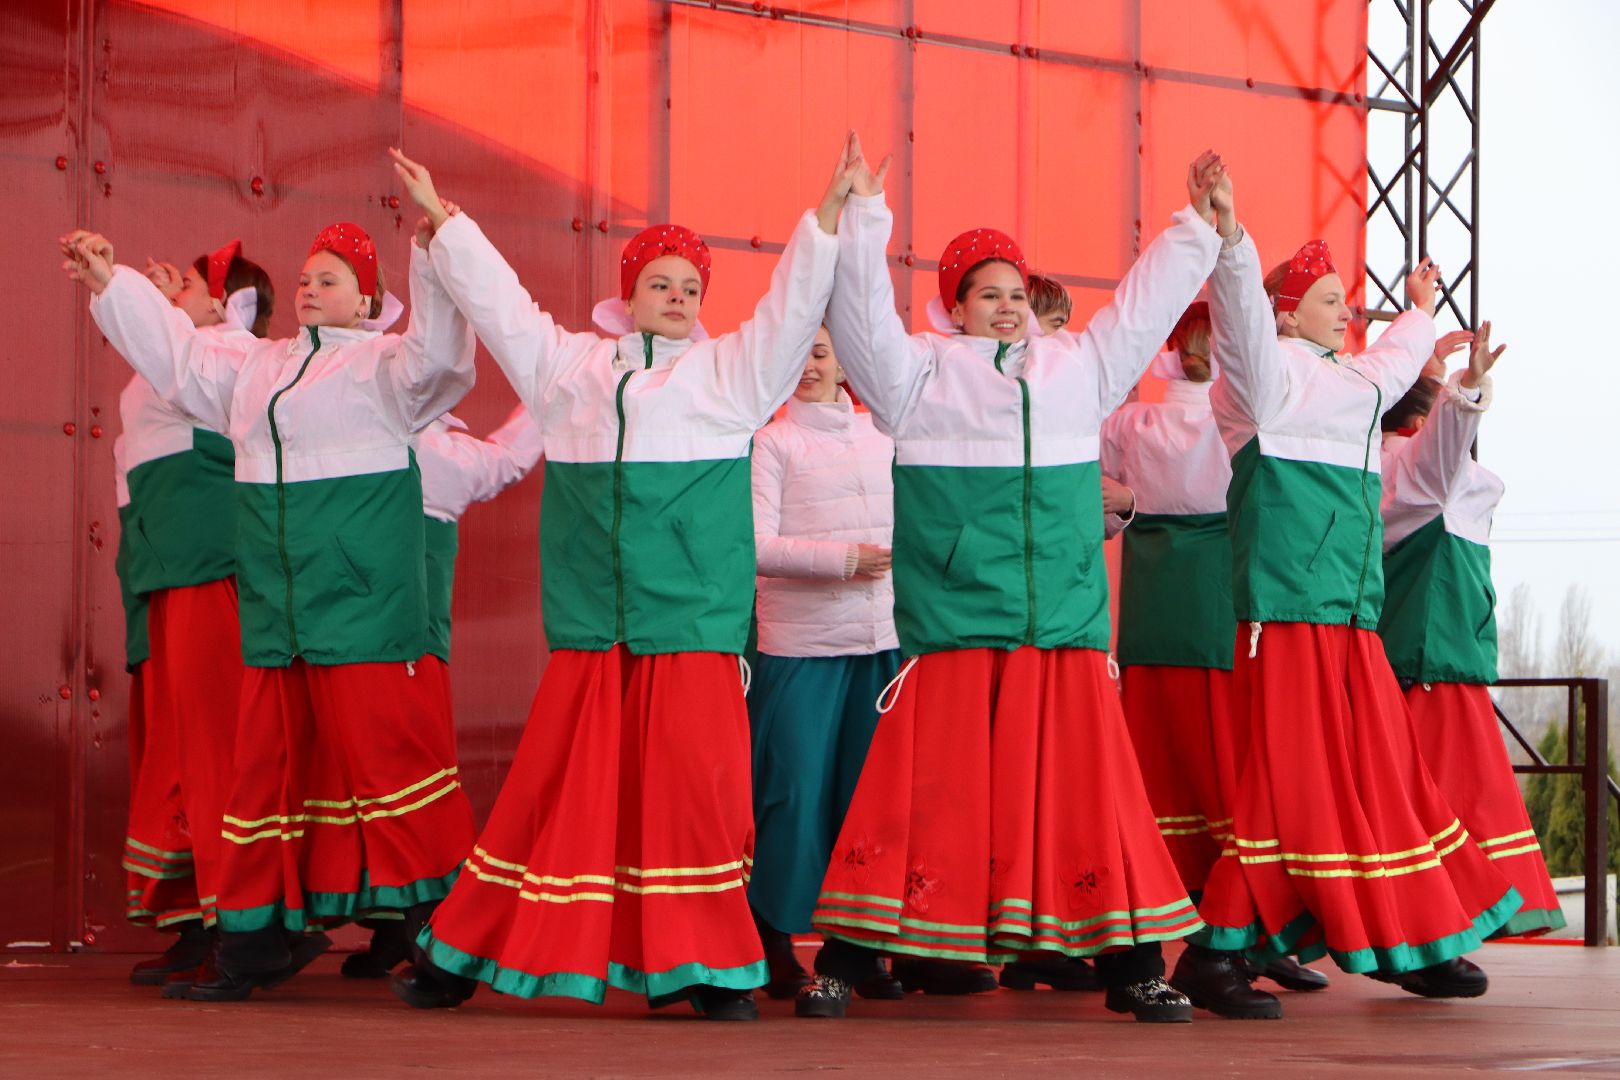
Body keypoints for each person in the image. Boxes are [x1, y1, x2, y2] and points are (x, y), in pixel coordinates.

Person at [389, 140, 848, 1021]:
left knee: (696, 801)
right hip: (595, 625)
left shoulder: (732, 374)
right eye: (660, 283)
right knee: (550, 795)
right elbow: (504, 310)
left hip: (693, 625)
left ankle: (711, 969)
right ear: (626, 295)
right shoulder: (570, 371)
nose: (676, 297)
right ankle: (460, 955)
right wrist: (447, 223)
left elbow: (791, 312)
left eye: (691, 288)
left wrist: (823, 219)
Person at [803, 141, 1228, 1023]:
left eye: (1014, 293)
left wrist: (1198, 226)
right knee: (919, 799)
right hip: (959, 622)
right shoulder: (916, 376)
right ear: (953, 307)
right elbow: (862, 320)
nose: (1005, 306)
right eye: (985, 293)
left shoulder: (1079, 368)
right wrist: (865, 213)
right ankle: (844, 958)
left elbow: (1144, 308)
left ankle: (1134, 968)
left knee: (1093, 798)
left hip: (1062, 623)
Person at [61, 181, 479, 1002]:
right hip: (277, 612)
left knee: (390, 772)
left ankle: (452, 945)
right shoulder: (260, 366)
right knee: (261, 778)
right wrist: (115, 286)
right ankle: (249, 945)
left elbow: (443, 358)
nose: (312, 286)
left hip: (362, 607)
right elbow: (180, 359)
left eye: (333, 277)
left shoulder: (388, 370)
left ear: (369, 300)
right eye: (307, 276)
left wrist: (435, 249)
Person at [1171, 167, 1519, 1020]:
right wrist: (1232, 239)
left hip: (1352, 618)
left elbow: (1399, 362)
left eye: (1347, 302)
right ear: (1289, 314)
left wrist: (1430, 326)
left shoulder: (1359, 386)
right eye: (1329, 299)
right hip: (1286, 615)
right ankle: (1219, 949)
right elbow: (1243, 321)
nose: (1344, 311)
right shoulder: (1265, 383)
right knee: (1290, 783)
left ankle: (1411, 935)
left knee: (1381, 774)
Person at [1101, 302, 1328, 997]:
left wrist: (1134, 506)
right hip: (1221, 604)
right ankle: (1245, 930)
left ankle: (1159, 930)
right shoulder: (1240, 421)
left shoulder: (1129, 423)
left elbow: (1096, 503)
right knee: (1229, 769)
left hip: (1151, 611)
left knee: (1156, 768)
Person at [341, 402, 544, 979]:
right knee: (396, 780)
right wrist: (547, 392)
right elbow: (508, 458)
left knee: (385, 779)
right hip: (402, 644)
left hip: (378, 641)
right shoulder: (437, 448)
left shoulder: (416, 446)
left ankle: (419, 929)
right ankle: (403, 928)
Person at [117, 242, 272, 987]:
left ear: (225, 303)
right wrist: (156, 307)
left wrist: (140, 303)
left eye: (187, 283)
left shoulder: (228, 355)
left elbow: (168, 357)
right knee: (173, 747)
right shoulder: (188, 351)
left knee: (211, 748)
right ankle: (194, 912)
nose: (173, 289)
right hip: (161, 560)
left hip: (204, 563)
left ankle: (243, 921)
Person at [1379, 324, 1564, 938]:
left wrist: (1431, 362)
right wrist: (1467, 388)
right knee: (1451, 801)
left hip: (1432, 657)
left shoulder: (1393, 468)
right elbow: (1443, 441)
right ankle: (1438, 919)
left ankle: (1433, 919)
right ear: (1422, 420)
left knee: (1434, 797)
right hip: (1434, 662)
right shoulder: (1420, 473)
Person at [747, 326, 901, 1001]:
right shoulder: (770, 441)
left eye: (819, 353)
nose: (808, 367)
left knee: (869, 801)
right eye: (797, 354)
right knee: (792, 795)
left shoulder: (886, 435)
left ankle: (856, 947)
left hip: (881, 644)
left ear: (845, 363)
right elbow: (752, 543)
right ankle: (770, 935)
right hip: (799, 647)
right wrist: (844, 561)